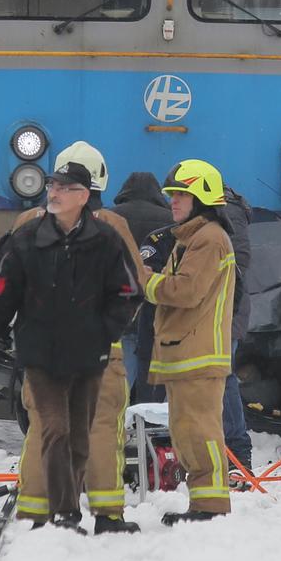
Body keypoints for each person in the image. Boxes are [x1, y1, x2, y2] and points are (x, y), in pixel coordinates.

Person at [0, 161, 141, 532]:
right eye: (54, 186)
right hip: (89, 356)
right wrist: (107, 330)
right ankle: (103, 515)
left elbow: (0, 289)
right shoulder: (110, 230)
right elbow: (132, 287)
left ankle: (39, 511)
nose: (55, 193)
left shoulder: (28, 229)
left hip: (54, 354)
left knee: (48, 429)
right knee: (100, 427)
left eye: (63, 187)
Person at [141, 159, 237, 524]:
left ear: (202, 198)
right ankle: (203, 504)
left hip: (198, 354)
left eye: (182, 194)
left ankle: (211, 508)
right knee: (187, 432)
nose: (173, 202)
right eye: (172, 195)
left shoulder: (209, 239)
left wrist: (145, 280)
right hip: (184, 353)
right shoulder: (192, 239)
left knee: (199, 432)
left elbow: (185, 291)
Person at [110, 172, 174, 402]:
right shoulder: (171, 220)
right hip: (155, 310)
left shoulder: (111, 217)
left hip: (122, 307)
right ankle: (146, 423)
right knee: (153, 382)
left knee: (120, 378)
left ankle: (118, 423)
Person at [218, 188, 254, 481]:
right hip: (228, 312)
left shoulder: (225, 213)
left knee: (223, 377)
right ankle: (236, 453)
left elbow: (236, 265)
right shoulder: (233, 213)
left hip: (223, 314)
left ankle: (237, 453)